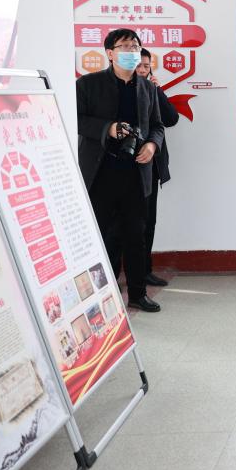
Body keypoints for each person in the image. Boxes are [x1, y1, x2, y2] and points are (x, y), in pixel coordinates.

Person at [77, 28, 165, 313]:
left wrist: (151, 145)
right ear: (110, 54)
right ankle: (104, 294)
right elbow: (76, 118)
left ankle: (138, 294)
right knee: (103, 236)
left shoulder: (147, 88)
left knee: (136, 236)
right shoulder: (88, 84)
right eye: (124, 46)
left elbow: (158, 126)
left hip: (136, 173)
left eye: (135, 46)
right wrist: (108, 128)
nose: (131, 51)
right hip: (101, 173)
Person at [136, 49, 179, 287]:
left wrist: (158, 89)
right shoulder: (118, 90)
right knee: (119, 224)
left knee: (148, 220)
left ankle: (144, 270)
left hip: (151, 165)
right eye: (139, 66)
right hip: (124, 166)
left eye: (147, 66)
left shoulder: (152, 89)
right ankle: (117, 273)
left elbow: (171, 119)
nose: (143, 70)